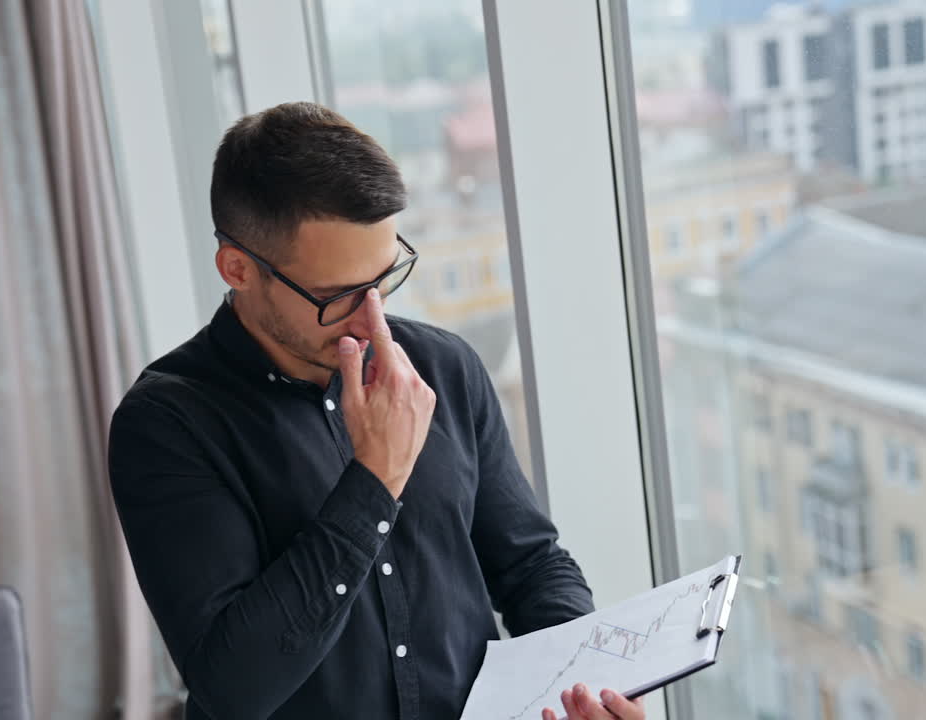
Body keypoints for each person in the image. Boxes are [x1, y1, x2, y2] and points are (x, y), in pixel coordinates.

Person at [108, 101, 645, 720]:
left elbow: (530, 564)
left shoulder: (443, 368)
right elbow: (234, 687)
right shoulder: (166, 424)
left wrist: (589, 684)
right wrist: (374, 482)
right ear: (238, 268)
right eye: (338, 297)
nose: (373, 320)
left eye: (385, 279)